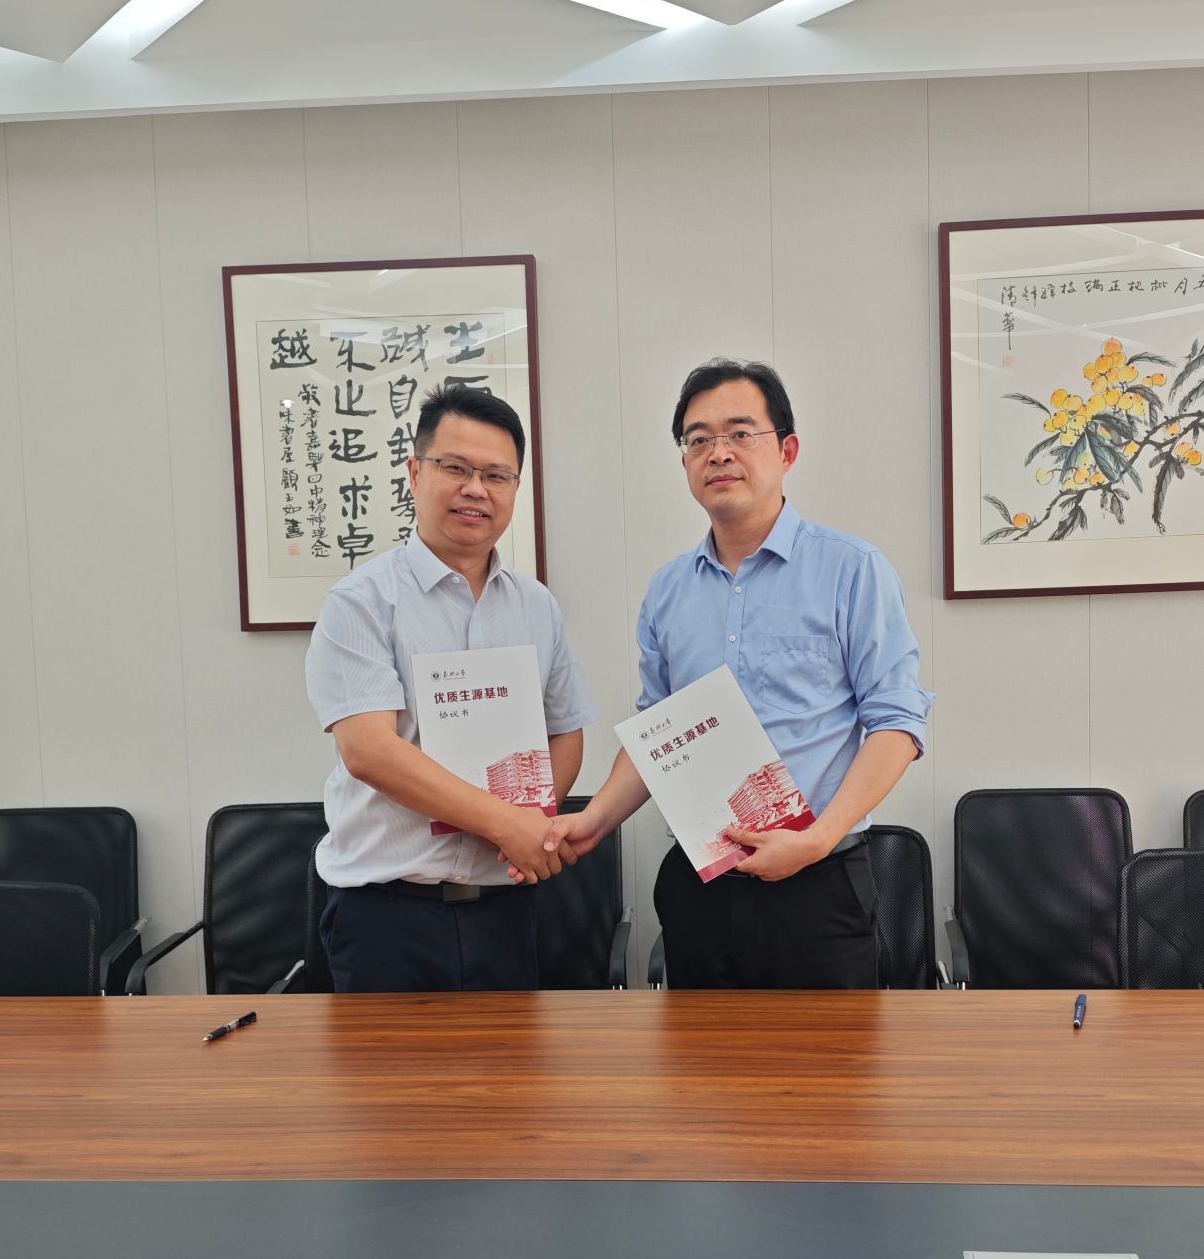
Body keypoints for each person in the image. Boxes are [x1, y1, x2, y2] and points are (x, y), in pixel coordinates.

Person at [545, 358, 932, 988]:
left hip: (818, 884)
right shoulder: (668, 590)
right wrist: (595, 820)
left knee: (829, 1057)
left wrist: (816, 840)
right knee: (701, 1055)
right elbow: (657, 735)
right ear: (685, 463)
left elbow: (898, 724)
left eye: (740, 433)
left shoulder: (852, 570)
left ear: (787, 450)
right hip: (700, 883)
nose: (718, 453)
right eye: (699, 439)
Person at [306, 379, 595, 992]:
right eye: (456, 468)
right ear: (415, 473)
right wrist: (508, 825)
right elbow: (369, 752)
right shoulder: (361, 601)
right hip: (386, 915)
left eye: (497, 475)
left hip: (504, 907)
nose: (476, 489)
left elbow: (566, 733)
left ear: (515, 488)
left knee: (510, 1061)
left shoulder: (537, 606)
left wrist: (532, 822)